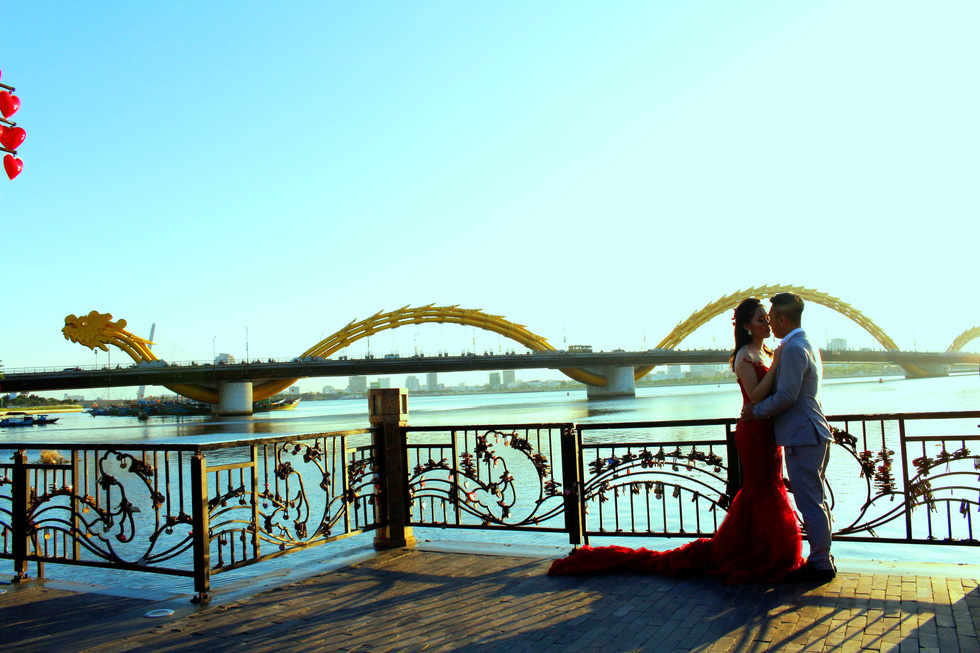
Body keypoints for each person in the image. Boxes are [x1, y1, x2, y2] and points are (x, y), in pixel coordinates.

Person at [548, 298, 805, 583]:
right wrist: (779, 363)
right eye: (761, 320)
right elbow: (755, 396)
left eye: (767, 319)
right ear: (746, 326)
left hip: (769, 434)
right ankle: (765, 553)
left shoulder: (766, 353)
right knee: (763, 490)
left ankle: (759, 549)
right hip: (754, 434)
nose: (767, 324)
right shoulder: (745, 355)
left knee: (765, 491)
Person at [742, 292, 835, 582]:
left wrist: (755, 412)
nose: (769, 323)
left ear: (783, 319)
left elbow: (787, 396)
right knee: (814, 499)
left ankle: (820, 562)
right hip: (811, 432)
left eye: (771, 318)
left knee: (809, 501)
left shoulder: (793, 348)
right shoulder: (803, 343)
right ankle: (823, 557)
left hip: (802, 435)